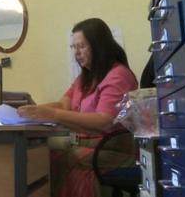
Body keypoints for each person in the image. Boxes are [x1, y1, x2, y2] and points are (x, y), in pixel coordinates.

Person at [18, 18, 138, 197]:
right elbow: (63, 105)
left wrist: (52, 114)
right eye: (74, 47)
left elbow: (103, 120)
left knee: (49, 160)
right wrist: (31, 111)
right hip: (92, 147)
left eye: (82, 46)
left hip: (113, 150)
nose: (77, 53)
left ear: (99, 46)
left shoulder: (117, 75)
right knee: (48, 157)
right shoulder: (84, 78)